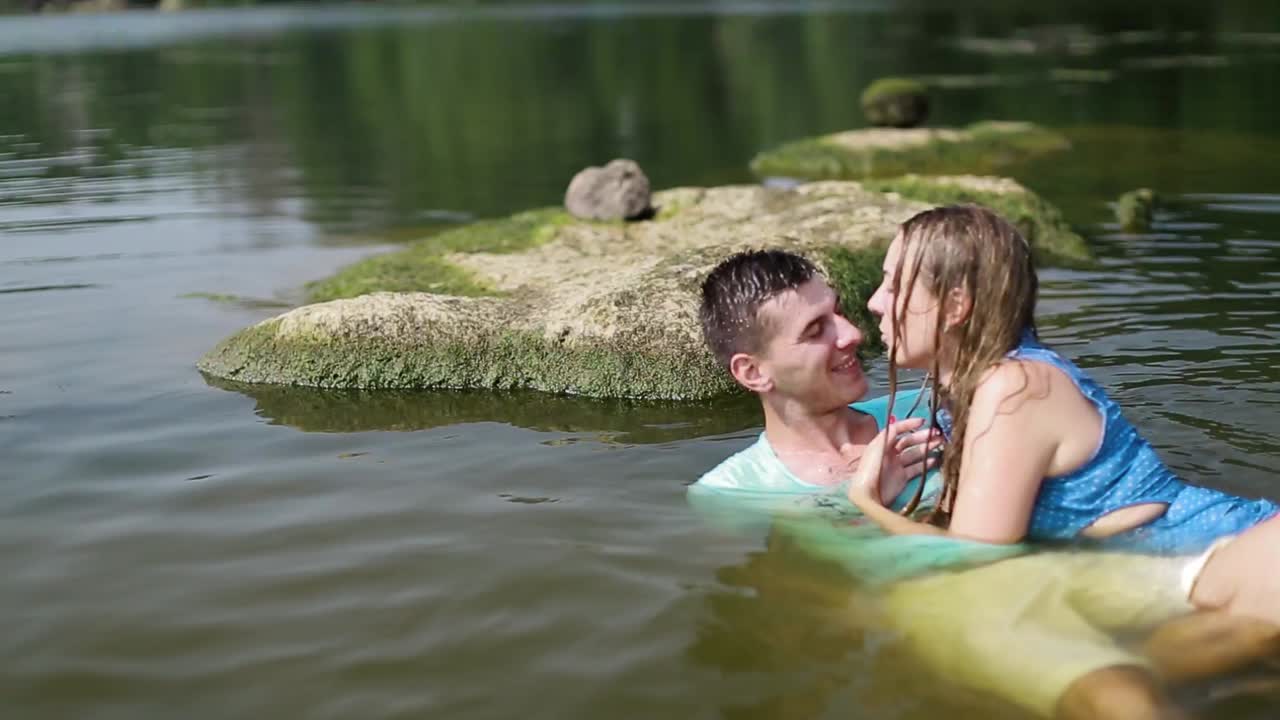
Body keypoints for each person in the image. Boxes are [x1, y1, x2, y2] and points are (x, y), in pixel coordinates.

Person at [688, 249, 1278, 720]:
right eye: (817, 329)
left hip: (1096, 568)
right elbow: (803, 598)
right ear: (752, 372)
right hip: (962, 600)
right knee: (1123, 697)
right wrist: (856, 503)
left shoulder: (935, 405)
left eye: (839, 311)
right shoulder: (730, 493)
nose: (852, 333)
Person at [843, 204, 1280, 627]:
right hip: (1201, 567)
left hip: (1238, 556)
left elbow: (973, 556)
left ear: (956, 306)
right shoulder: (972, 388)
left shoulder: (1016, 386)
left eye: (895, 286)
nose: (877, 302)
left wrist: (864, 499)